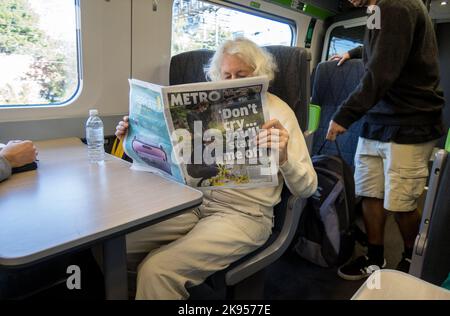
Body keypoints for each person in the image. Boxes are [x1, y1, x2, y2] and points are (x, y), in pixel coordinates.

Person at [115, 37, 318, 299]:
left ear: (260, 75)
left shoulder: (280, 112)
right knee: (115, 246)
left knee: (157, 271)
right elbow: (171, 162)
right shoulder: (204, 110)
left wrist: (283, 159)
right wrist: (134, 139)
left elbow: (308, 187)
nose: (233, 82)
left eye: (241, 75)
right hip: (192, 203)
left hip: (244, 214)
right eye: (227, 75)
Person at [327, 0, 445, 280]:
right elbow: (379, 48)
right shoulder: (376, 9)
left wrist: (344, 115)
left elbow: (381, 71)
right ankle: (375, 257)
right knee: (370, 193)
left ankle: (411, 259)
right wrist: (354, 52)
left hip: (408, 121)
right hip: (376, 119)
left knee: (401, 203)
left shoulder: (396, 5)